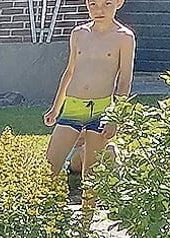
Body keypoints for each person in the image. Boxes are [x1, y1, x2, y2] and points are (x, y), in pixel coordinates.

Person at [44, 0, 135, 204]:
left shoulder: (124, 37)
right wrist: (56, 108)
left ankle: (86, 226)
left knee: (91, 176)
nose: (99, 10)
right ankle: (43, 218)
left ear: (119, 3)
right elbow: (69, 72)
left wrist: (115, 118)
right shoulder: (79, 34)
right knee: (49, 167)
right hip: (73, 107)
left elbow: (125, 80)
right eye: (93, 4)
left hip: (101, 110)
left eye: (107, 3)